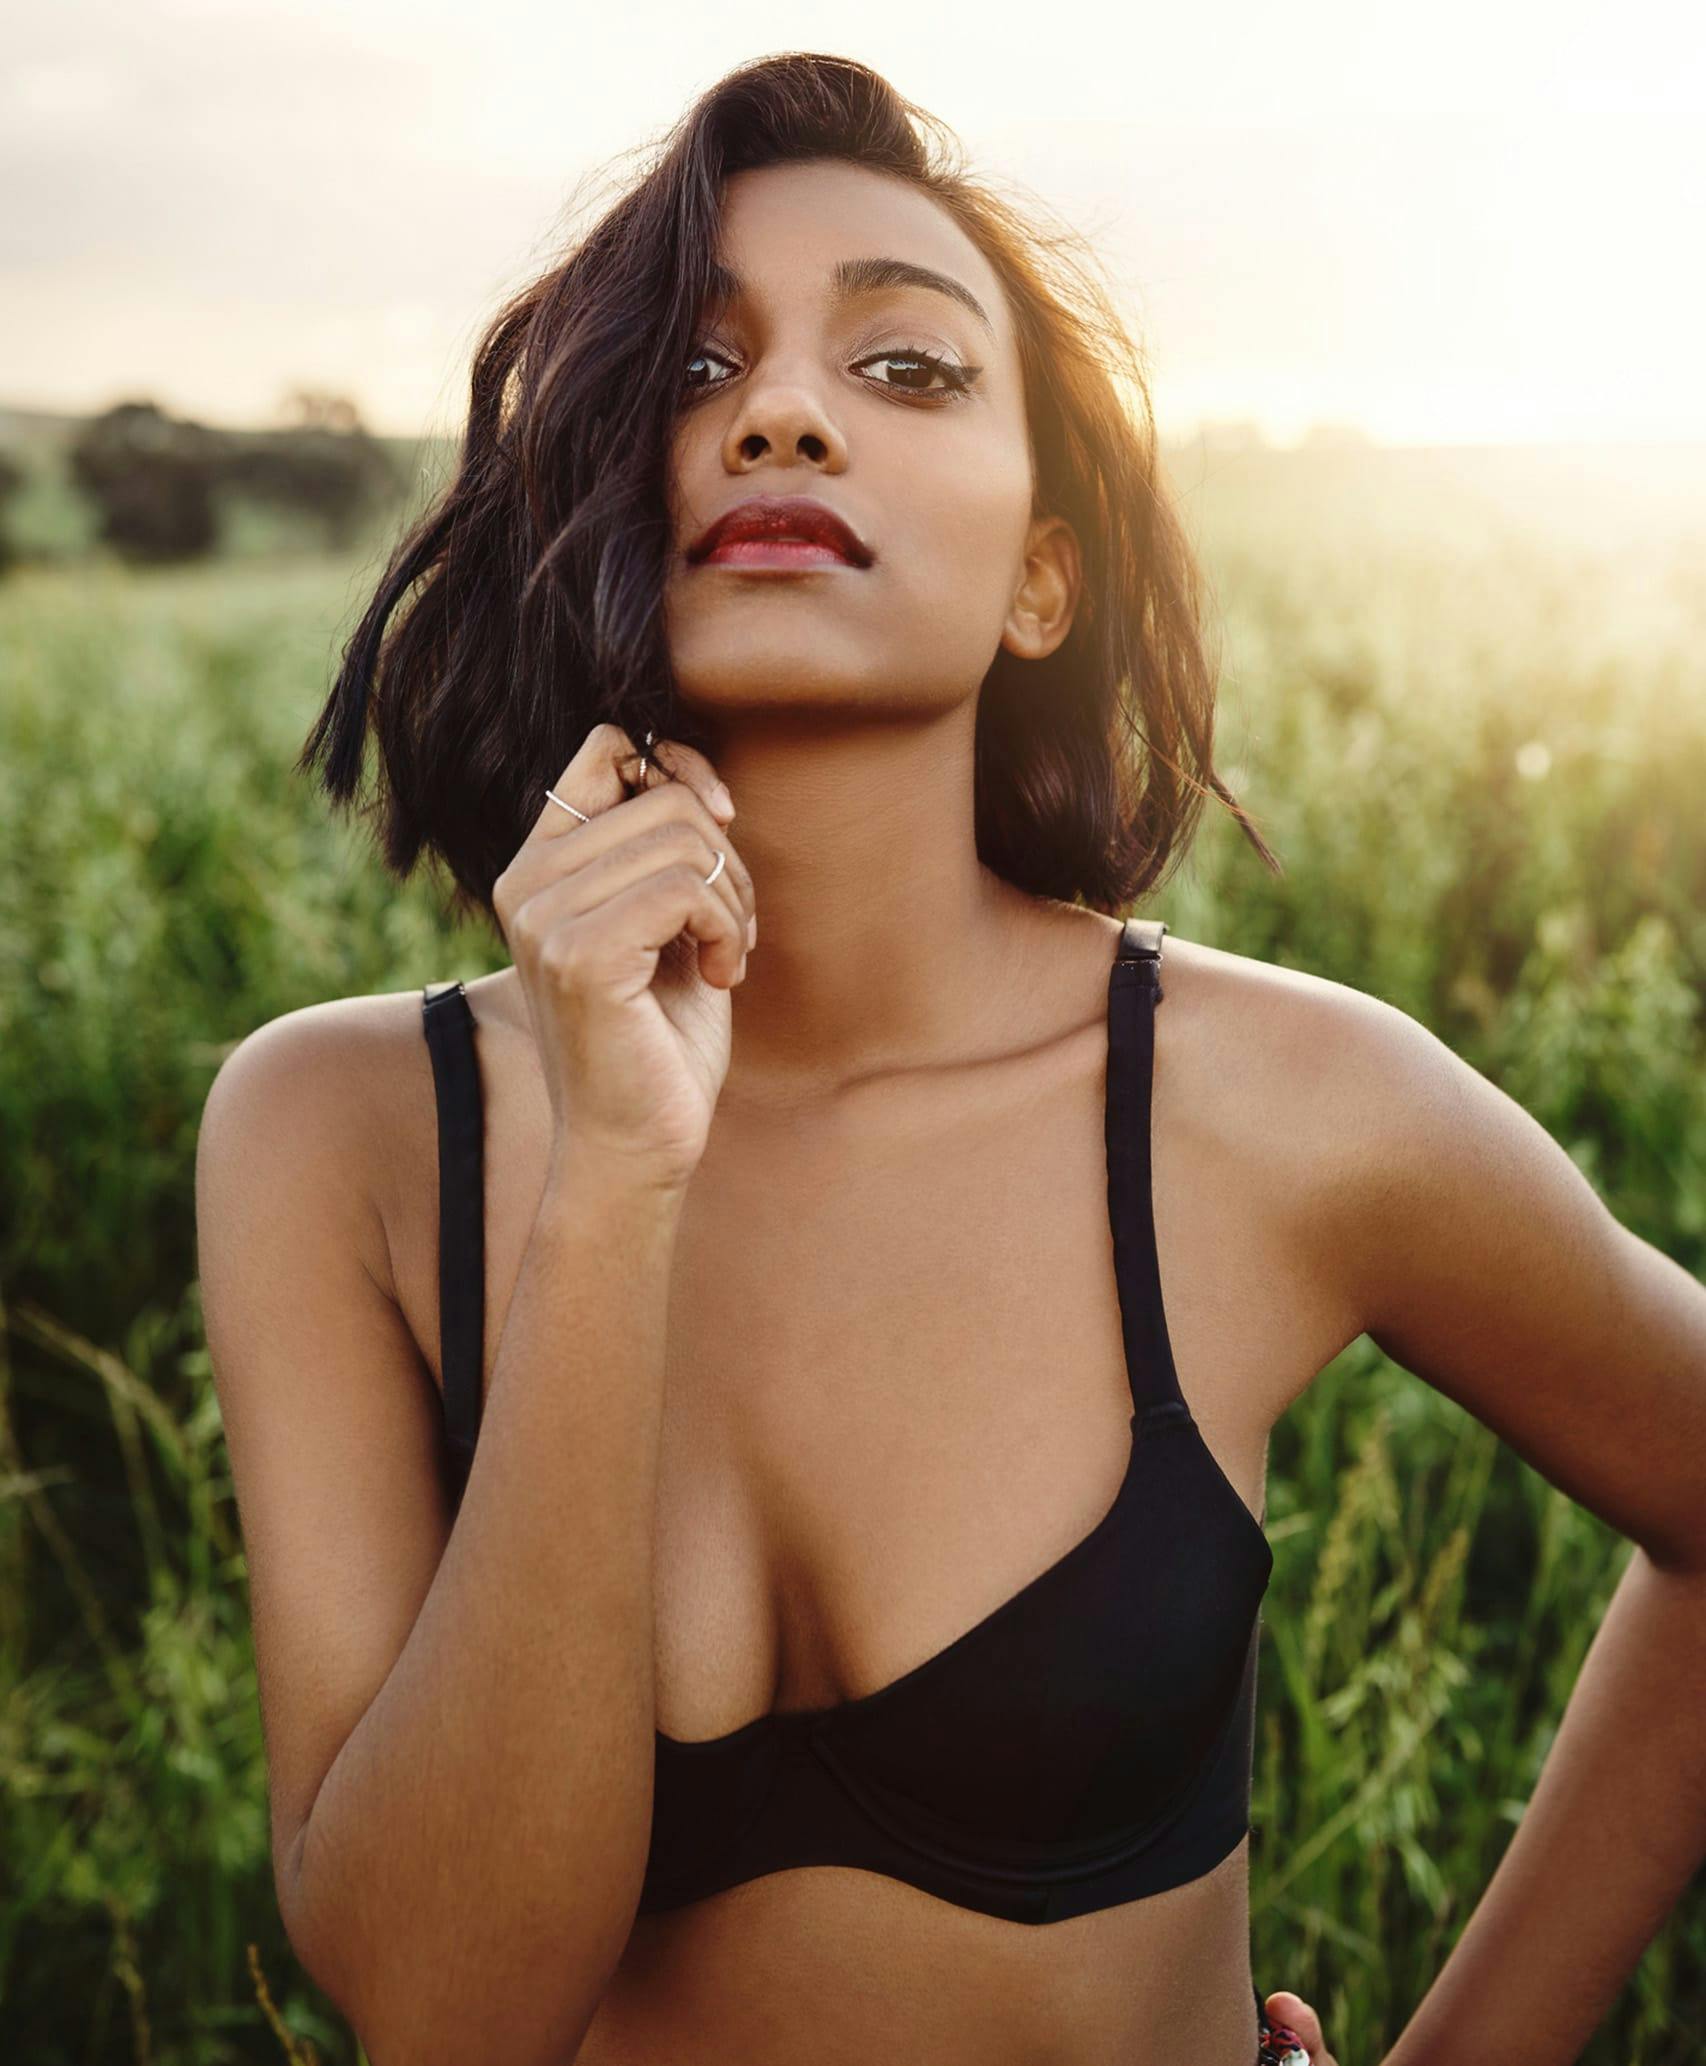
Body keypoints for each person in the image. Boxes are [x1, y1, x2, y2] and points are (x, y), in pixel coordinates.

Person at [194, 51, 1706, 2066]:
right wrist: (615, 1179)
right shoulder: (342, 1136)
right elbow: (449, 2011)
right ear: (604, 490)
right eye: (693, 366)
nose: (785, 409)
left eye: (903, 367)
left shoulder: (1272, 1107)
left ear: (1036, 575)